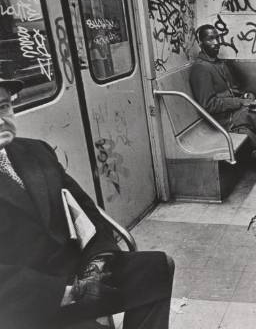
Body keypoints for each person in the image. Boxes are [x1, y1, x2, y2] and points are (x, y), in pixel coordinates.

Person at [0, 78, 175, 329]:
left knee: (157, 268)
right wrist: (65, 293)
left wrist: (97, 262)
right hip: (26, 302)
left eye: (3, 107)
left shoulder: (36, 152)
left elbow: (86, 210)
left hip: (76, 272)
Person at [190, 25, 256, 182]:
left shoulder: (219, 64)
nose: (216, 42)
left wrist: (245, 95)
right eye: (210, 39)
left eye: (217, 37)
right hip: (221, 118)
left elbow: (232, 89)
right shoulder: (201, 69)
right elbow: (208, 105)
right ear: (200, 43)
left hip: (233, 110)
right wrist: (240, 102)